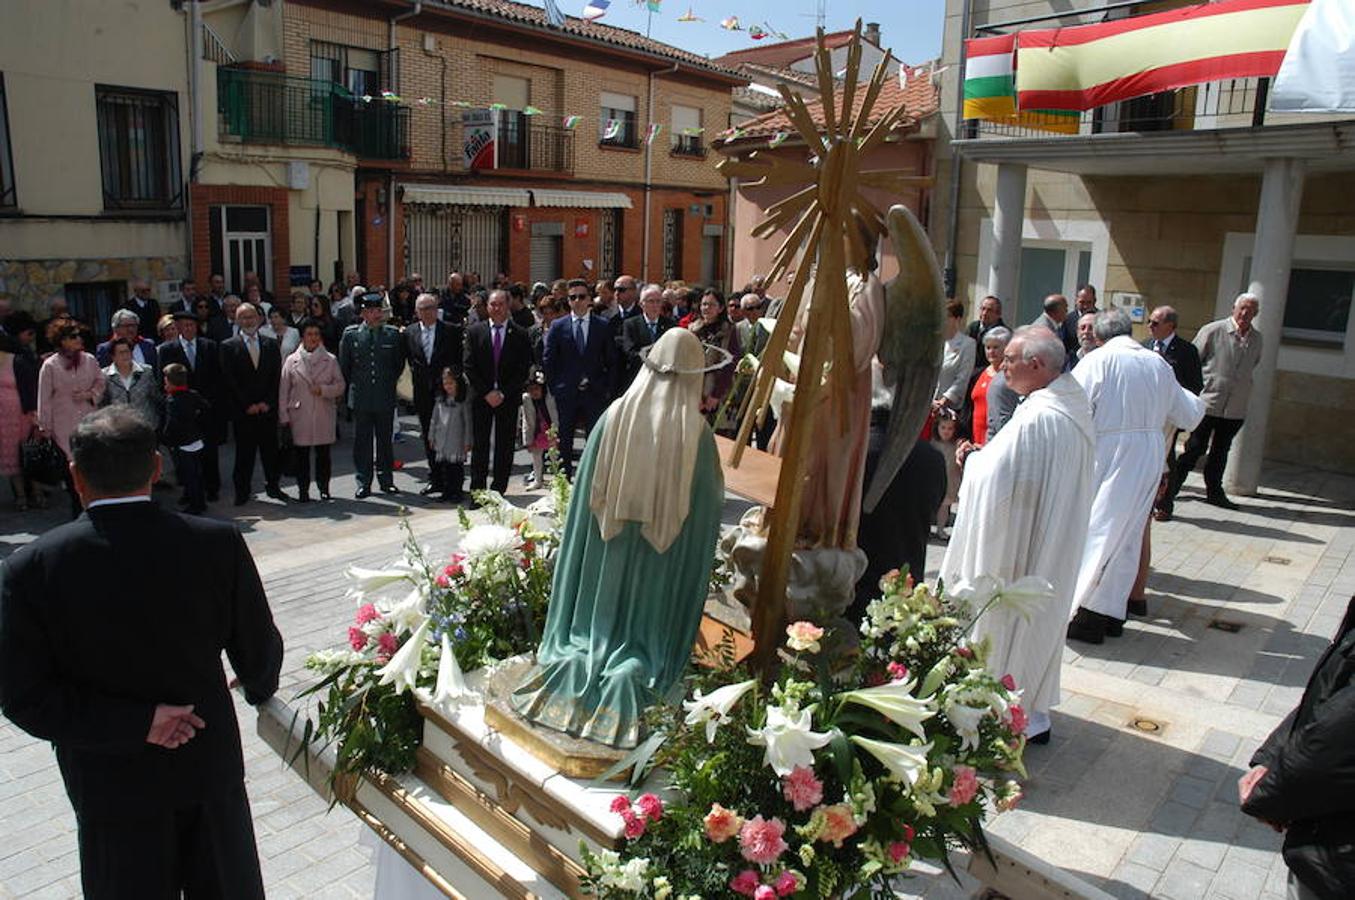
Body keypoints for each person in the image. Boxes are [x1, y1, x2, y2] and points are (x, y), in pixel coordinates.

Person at [0, 406, 284, 898]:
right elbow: (259, 650)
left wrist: (137, 724)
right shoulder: (216, 542)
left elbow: (22, 696)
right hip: (205, 763)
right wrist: (257, 687)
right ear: (156, 467)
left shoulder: (31, 569)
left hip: (109, 780)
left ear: (75, 475)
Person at [511, 329, 725, 748]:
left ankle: (584, 651)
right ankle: (635, 660)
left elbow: (581, 504)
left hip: (604, 551)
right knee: (640, 644)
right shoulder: (697, 434)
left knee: (589, 634)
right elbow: (705, 515)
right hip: (659, 563)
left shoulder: (613, 416)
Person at [943, 326, 1096, 743]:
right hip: (1049, 536)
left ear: (1037, 364)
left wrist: (973, 463)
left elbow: (999, 480)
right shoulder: (1068, 405)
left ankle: (1003, 711)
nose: (1002, 366)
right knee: (1037, 625)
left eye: (1009, 359)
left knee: (1012, 622)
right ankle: (1031, 712)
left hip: (1022, 545)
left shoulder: (1040, 417)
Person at [1066, 310, 1205, 644]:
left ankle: (1088, 615)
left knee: (1098, 531)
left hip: (1109, 452)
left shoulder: (1098, 361)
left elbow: (1072, 408)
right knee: (1128, 535)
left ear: (1100, 337)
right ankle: (1113, 613)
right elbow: (1189, 414)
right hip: (1149, 454)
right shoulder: (1158, 364)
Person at [1239, 596, 1355, 900]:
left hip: (1338, 863)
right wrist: (1272, 756)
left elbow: (1333, 746)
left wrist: (1271, 794)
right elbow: (1330, 699)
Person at [1164, 293, 1262, 512]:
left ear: (1256, 313)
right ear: (1234, 308)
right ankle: (1171, 488)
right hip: (1208, 402)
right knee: (1195, 448)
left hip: (1235, 408)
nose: (1245, 313)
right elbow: (1193, 361)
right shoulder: (1213, 330)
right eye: (1242, 308)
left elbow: (1253, 363)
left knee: (1221, 451)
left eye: (1250, 310)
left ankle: (1214, 492)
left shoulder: (1257, 339)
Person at [544, 279, 620, 475]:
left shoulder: (602, 325)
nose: (577, 301)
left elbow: (612, 360)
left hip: (595, 392)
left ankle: (592, 478)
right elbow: (549, 360)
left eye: (582, 296)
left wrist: (608, 389)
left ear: (589, 299)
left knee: (594, 439)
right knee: (565, 438)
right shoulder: (558, 326)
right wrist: (555, 388)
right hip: (567, 393)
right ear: (568, 301)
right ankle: (564, 479)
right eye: (573, 297)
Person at [464, 289, 533, 495]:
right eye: (493, 304)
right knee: (480, 445)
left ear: (508, 306)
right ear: (487, 307)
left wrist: (502, 392)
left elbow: (523, 369)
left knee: (505, 445)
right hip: (482, 397)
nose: (497, 308)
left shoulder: (520, 334)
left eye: (501, 304)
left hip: (507, 398)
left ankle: (498, 490)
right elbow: (469, 365)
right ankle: (478, 491)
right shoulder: (475, 332)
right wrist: (487, 392)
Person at [339, 293, 407, 499]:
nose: (376, 314)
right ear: (362, 313)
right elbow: (345, 366)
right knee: (363, 442)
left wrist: (387, 384)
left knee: (385, 441)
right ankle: (363, 481)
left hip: (384, 395)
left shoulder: (392, 335)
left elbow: (398, 365)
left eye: (378, 310)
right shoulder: (351, 335)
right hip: (361, 396)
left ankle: (386, 480)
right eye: (370, 311)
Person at [219, 302, 287, 505]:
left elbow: (276, 377)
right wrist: (247, 404)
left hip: (267, 410)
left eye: (251, 317)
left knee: (270, 452)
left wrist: (268, 402)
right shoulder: (229, 346)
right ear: (237, 320)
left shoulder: (271, 344)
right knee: (244, 454)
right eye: (243, 317)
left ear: (258, 319)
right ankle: (242, 492)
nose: (248, 321)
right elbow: (229, 380)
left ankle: (274, 486)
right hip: (244, 412)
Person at [38, 323, 105, 515]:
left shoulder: (89, 360)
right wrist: (44, 426)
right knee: (71, 470)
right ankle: (78, 509)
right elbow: (44, 397)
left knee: (91, 466)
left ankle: (95, 506)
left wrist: (90, 394)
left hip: (89, 422)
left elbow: (101, 382)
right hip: (63, 425)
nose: (78, 339)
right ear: (62, 341)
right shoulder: (50, 365)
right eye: (73, 336)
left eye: (79, 335)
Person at [157, 311, 224, 503]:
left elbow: (218, 377)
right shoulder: (167, 349)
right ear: (177, 327)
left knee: (209, 452)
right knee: (184, 457)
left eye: (191, 325)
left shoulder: (209, 346)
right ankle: (190, 491)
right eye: (184, 325)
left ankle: (212, 488)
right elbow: (162, 381)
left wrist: (209, 405)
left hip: (205, 408)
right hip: (182, 413)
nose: (188, 329)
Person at [1145, 305, 1204, 519]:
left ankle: (1164, 504)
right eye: (1149, 321)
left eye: (1155, 323)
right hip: (1146, 414)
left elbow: (1195, 385)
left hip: (1169, 416)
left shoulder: (1187, 351)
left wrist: (1179, 407)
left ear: (1170, 325)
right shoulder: (1143, 347)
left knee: (1167, 457)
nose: (1149, 326)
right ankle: (1145, 500)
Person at [277, 319, 344, 502]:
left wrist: (323, 390)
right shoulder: (291, 360)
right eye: (309, 334)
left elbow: (340, 385)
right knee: (301, 456)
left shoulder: (330, 360)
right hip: (299, 414)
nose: (313, 338)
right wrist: (283, 416)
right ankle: (303, 490)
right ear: (302, 337)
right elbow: (284, 390)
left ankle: (324, 488)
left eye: (316, 334)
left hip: (323, 413)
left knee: (323, 455)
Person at [404, 293, 463, 497]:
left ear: (437, 309)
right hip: (423, 393)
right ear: (417, 312)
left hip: (446, 391)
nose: (427, 312)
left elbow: (458, 360)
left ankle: (453, 484)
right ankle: (436, 478)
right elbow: (411, 360)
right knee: (429, 435)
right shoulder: (410, 332)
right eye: (423, 309)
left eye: (430, 308)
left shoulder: (451, 331)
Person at [687, 288, 741, 428]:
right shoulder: (692, 330)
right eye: (704, 304)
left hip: (720, 392)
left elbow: (730, 364)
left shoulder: (729, 331)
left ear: (721, 308)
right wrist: (695, 395)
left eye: (711, 305)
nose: (706, 308)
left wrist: (716, 395)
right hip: (695, 393)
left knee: (719, 435)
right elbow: (687, 364)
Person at [160, 362, 209, 514]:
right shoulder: (192, 395)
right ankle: (195, 499)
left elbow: (171, 424)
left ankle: (196, 505)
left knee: (189, 476)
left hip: (182, 443)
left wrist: (165, 438)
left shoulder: (172, 401)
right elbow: (205, 407)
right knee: (196, 474)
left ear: (170, 382)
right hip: (196, 440)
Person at [0, 327, 39, 511]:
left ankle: (37, 494)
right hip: (2, 418)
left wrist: (34, 412)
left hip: (20, 413)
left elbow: (29, 388)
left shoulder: (17, 361)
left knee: (28, 451)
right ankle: (21, 496)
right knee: (10, 456)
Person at [427, 367, 472, 503]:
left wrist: (467, 441)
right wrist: (431, 436)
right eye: (445, 383)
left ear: (458, 383)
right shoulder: (440, 400)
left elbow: (467, 423)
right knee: (445, 468)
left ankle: (457, 492)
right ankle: (446, 492)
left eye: (451, 383)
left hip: (456, 441)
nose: (448, 386)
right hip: (442, 440)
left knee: (456, 468)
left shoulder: (463, 402)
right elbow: (434, 419)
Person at [619, 284, 676, 390]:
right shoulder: (631, 324)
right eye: (651, 301)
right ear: (641, 304)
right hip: (639, 377)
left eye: (658, 301)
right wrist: (652, 361)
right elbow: (630, 351)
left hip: (663, 380)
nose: (655, 305)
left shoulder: (670, 325)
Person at [99, 337, 162, 429]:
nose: (125, 355)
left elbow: (156, 397)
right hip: (119, 428)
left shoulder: (146, 372)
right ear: (113, 357)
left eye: (127, 352)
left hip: (146, 426)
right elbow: (103, 404)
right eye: (121, 353)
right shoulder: (105, 376)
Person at [966, 326, 1011, 447]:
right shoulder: (978, 374)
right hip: (975, 440)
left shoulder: (1009, 377)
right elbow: (969, 408)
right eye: (988, 347)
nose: (991, 351)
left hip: (995, 440)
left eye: (996, 347)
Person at [935, 299, 976, 420]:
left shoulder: (967, 344)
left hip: (949, 409)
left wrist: (945, 400)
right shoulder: (935, 342)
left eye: (947, 316)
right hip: (929, 405)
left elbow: (962, 378)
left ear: (957, 319)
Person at [519, 368, 558, 488]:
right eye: (530, 390)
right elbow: (526, 421)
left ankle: (557, 478)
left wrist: (557, 433)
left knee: (554, 456)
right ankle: (537, 480)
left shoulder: (550, 396)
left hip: (550, 428)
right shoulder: (526, 399)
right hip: (537, 430)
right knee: (536, 456)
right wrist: (528, 440)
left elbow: (556, 415)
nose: (534, 392)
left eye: (536, 389)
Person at [931, 413, 962, 540]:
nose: (946, 431)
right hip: (934, 479)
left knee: (944, 507)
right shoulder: (933, 443)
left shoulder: (956, 445)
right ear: (937, 428)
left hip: (950, 480)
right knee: (931, 506)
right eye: (943, 427)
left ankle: (940, 529)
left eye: (950, 428)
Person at [966, 295, 1006, 369]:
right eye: (983, 309)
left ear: (998, 314)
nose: (984, 313)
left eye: (989, 310)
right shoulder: (973, 327)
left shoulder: (1004, 333)